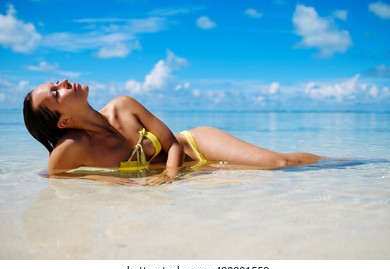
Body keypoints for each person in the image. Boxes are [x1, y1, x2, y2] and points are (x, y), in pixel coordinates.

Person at [23, 79, 322, 185]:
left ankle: (343, 162)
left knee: (279, 164)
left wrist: (169, 175)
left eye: (56, 83)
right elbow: (54, 176)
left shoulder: (123, 106)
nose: (63, 82)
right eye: (56, 93)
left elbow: (171, 144)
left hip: (197, 146)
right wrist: (105, 180)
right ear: (63, 122)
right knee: (260, 188)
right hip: (197, 175)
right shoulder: (74, 147)